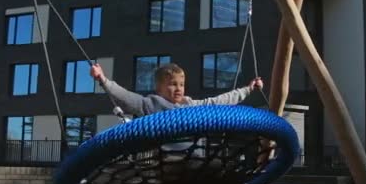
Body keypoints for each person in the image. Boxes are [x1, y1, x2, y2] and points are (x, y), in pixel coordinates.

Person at [90, 62, 264, 117]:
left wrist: (247, 89)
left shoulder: (191, 105)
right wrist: (103, 80)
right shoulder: (152, 105)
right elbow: (127, 97)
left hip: (192, 159)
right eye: (172, 84)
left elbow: (220, 101)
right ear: (159, 88)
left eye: (181, 84)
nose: (178, 88)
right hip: (165, 160)